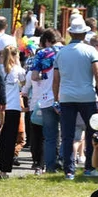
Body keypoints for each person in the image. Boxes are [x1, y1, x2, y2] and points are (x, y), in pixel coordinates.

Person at [53, 16, 98, 180]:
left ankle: (69, 170)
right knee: (92, 133)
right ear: (85, 34)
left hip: (66, 97)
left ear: (70, 33)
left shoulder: (61, 53)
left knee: (68, 135)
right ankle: (90, 167)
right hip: (87, 96)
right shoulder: (90, 51)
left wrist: (56, 98)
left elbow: (56, 79)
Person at [28, 30, 60, 175]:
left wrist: (44, 75)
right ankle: (65, 163)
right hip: (65, 96)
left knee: (49, 135)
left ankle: (49, 166)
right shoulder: (66, 51)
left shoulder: (42, 54)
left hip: (47, 97)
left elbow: (34, 76)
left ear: (46, 40)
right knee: (67, 134)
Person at [0, 45, 26, 178]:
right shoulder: (18, 70)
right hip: (13, 107)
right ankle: (5, 170)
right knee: (10, 140)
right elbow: (24, 82)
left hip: (1, 106)